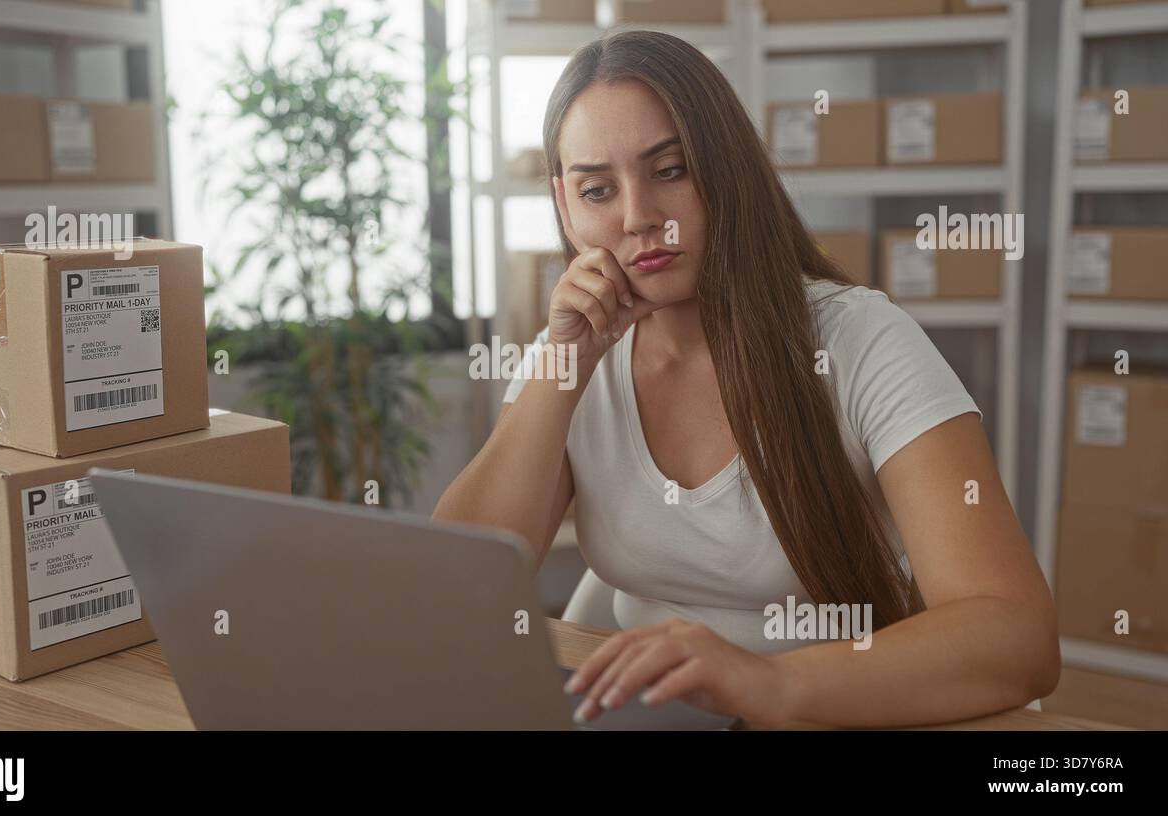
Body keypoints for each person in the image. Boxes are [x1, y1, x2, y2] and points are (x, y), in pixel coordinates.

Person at [433, 30, 1059, 729]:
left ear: (727, 170)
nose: (638, 217)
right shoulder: (574, 352)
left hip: (830, 709)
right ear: (564, 205)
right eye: (598, 189)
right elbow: (455, 590)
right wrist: (562, 371)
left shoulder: (861, 341)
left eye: (670, 170)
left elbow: (1018, 636)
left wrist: (766, 683)